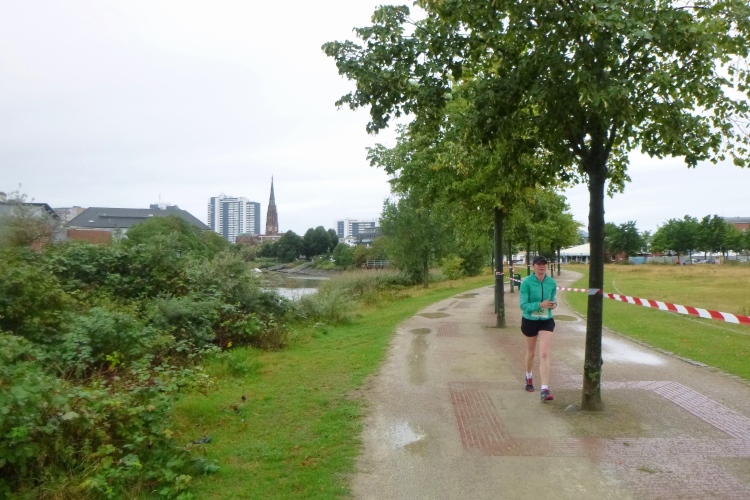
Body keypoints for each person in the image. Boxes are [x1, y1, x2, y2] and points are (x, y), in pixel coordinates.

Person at [519, 255, 558, 401]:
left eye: (544, 264)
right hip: (530, 320)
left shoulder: (551, 282)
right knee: (531, 353)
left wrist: (554, 304)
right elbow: (523, 305)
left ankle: (545, 389)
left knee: (544, 353)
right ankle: (528, 376)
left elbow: (553, 299)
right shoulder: (526, 283)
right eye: (539, 264)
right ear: (533, 266)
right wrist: (539, 305)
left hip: (546, 320)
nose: (542, 266)